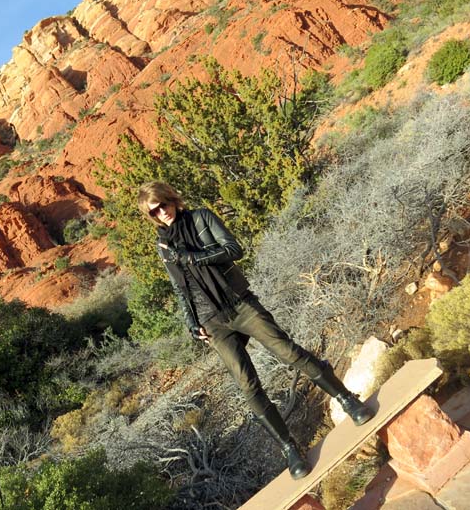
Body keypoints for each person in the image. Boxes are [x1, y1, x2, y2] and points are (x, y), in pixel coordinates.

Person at [137, 181, 374, 480]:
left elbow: (234, 249)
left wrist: (195, 257)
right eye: (154, 211)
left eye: (163, 205)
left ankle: (346, 399)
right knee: (248, 386)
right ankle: (289, 449)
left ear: (172, 199)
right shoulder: (164, 245)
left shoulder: (201, 218)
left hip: (240, 304)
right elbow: (178, 286)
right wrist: (190, 320)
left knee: (287, 352)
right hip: (212, 320)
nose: (162, 213)